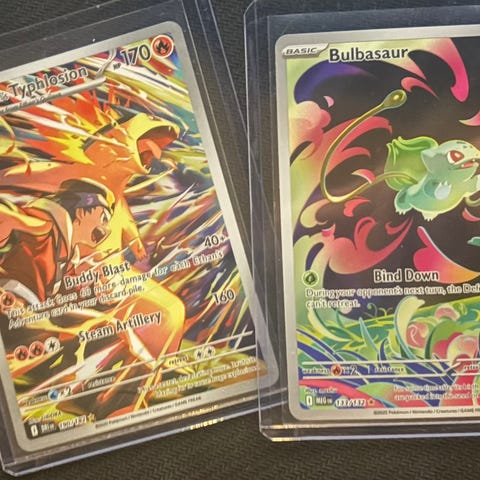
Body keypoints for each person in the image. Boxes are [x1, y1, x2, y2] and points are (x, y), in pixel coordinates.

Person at [0, 178, 115, 304]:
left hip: (29, 307)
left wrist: (94, 292)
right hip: (10, 297)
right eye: (103, 219)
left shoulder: (68, 254)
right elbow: (7, 217)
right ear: (81, 212)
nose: (106, 229)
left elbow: (66, 292)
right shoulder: (45, 225)